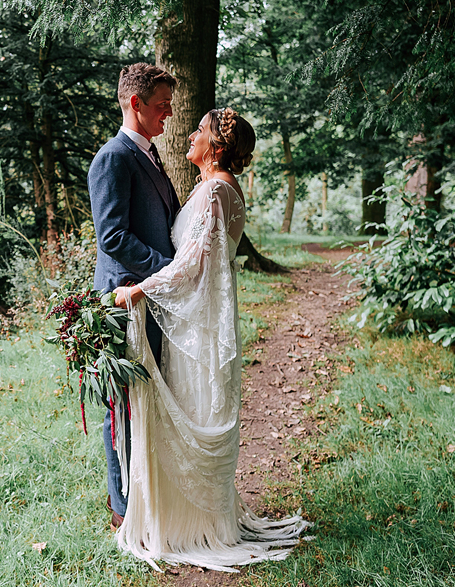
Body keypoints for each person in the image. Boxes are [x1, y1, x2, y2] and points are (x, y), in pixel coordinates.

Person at [112, 108, 309, 571]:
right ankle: (186, 515)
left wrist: (139, 288)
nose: (190, 134)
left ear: (216, 147)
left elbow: (194, 264)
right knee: (190, 409)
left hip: (197, 327)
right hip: (193, 320)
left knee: (194, 409)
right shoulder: (212, 188)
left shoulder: (217, 190)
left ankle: (195, 522)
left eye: (199, 130)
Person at [87, 63, 181, 528]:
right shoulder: (113, 158)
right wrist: (168, 272)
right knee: (120, 405)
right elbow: (112, 237)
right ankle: (122, 507)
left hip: (150, 298)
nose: (168, 115)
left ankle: (145, 493)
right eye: (162, 107)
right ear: (135, 104)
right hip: (125, 299)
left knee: (146, 399)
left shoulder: (151, 156)